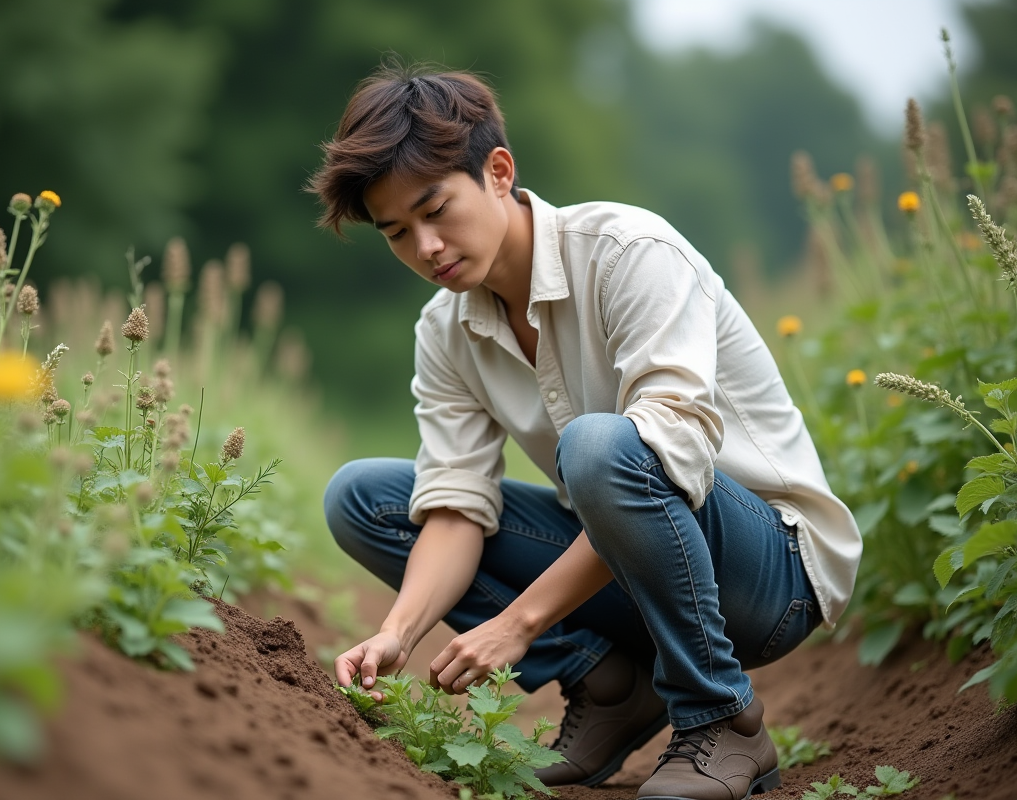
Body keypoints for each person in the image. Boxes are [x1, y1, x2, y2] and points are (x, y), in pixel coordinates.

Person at [307, 62, 862, 799]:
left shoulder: (631, 253)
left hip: (769, 575)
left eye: (436, 209)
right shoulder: (446, 330)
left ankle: (721, 719)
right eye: (398, 233)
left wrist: (519, 623)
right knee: (365, 499)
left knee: (601, 447)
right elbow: (456, 505)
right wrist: (398, 634)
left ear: (498, 172)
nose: (427, 248)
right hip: (632, 561)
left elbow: (663, 459)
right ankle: (609, 688)